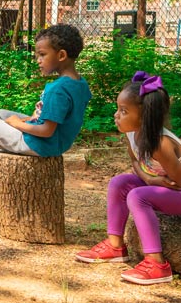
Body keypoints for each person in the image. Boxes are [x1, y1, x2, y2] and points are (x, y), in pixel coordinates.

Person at [74, 72, 179, 285]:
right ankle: (115, 246)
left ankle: (157, 264)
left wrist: (151, 188)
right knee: (119, 183)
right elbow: (135, 165)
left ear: (145, 115)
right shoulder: (132, 133)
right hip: (162, 187)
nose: (116, 115)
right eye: (118, 109)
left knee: (138, 196)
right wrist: (150, 181)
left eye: (123, 111)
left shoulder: (161, 143)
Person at [0, 24, 91, 193]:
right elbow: (55, 116)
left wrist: (17, 124)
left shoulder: (58, 89)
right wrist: (26, 118)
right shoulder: (79, 83)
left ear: (61, 55)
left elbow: (47, 130)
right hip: (58, 142)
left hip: (42, 144)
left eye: (42, 55)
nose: (38, 60)